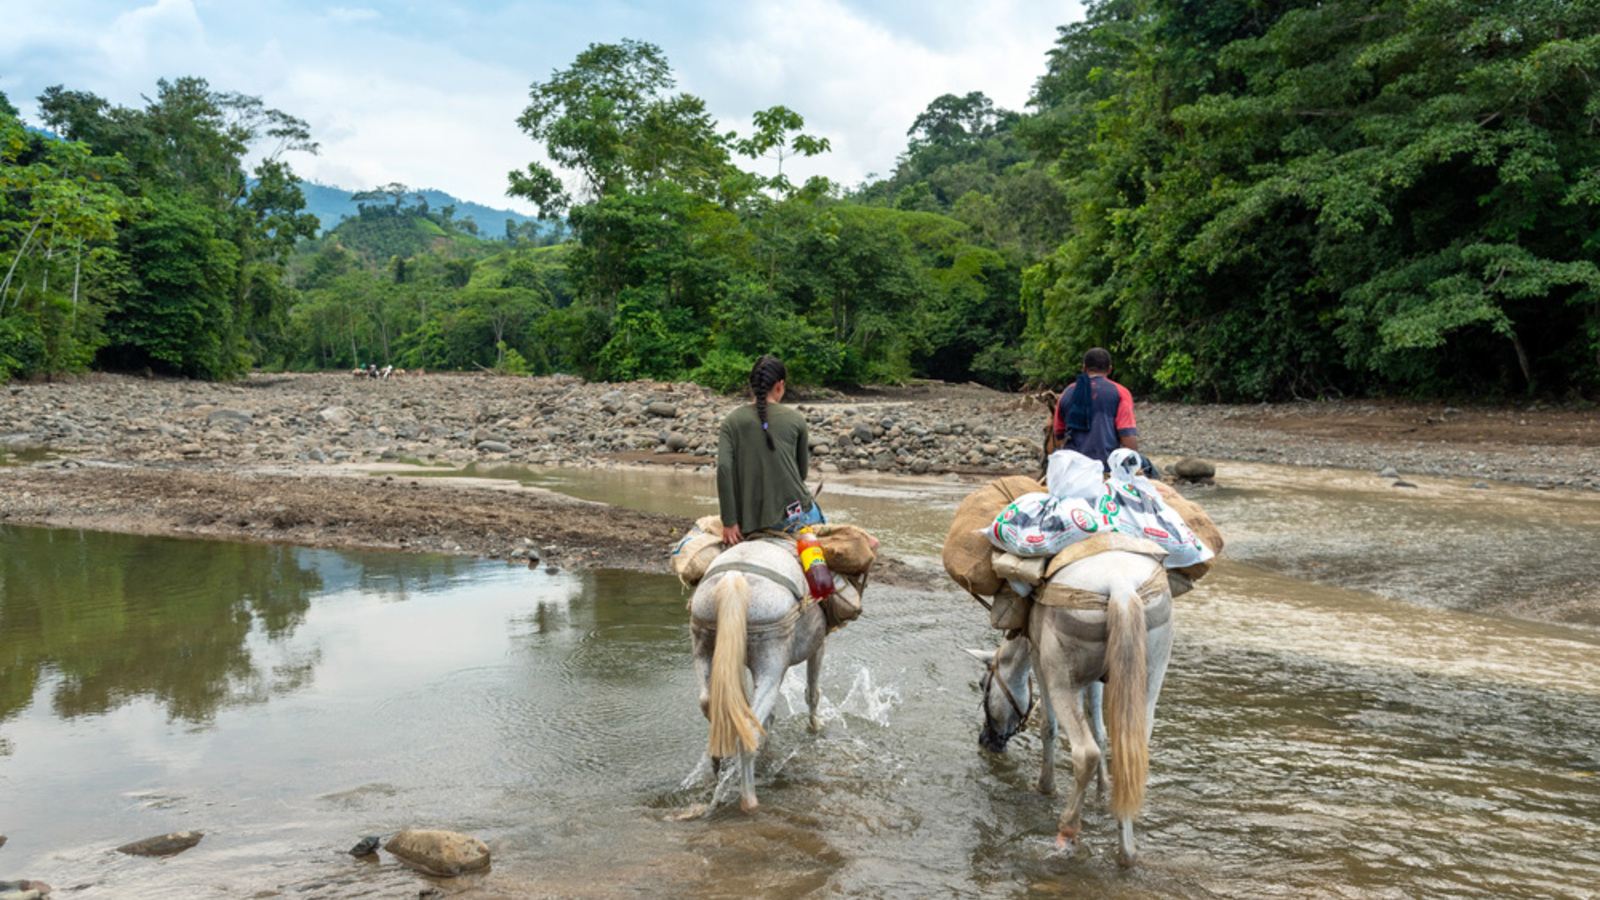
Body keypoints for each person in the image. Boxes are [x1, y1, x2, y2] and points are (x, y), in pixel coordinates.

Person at [716, 355, 822, 545]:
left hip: (750, 522)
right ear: (780, 385)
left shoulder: (732, 421)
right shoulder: (796, 419)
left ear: (751, 386)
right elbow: (802, 474)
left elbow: (723, 468)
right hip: (795, 515)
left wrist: (729, 521)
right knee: (834, 554)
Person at [1052, 347, 1155, 475]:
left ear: (1084, 368)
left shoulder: (1067, 392)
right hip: (1107, 465)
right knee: (1148, 467)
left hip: (1073, 465)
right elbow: (1128, 436)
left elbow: (1059, 434)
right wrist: (1134, 468)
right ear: (1110, 370)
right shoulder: (1120, 392)